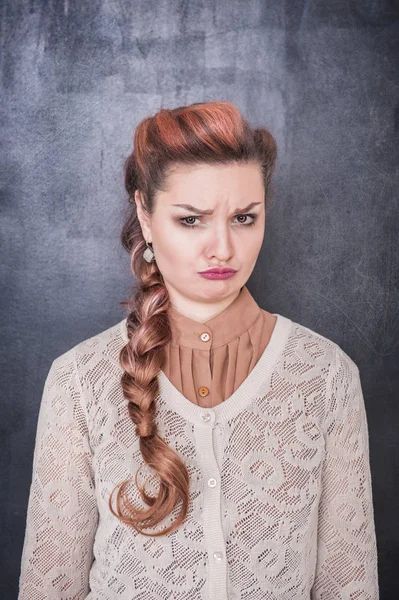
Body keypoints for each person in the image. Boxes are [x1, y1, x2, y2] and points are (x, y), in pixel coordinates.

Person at [18, 101, 379, 599]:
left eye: (244, 218)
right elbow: (48, 587)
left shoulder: (326, 374)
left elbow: (350, 586)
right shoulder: (78, 380)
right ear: (145, 216)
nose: (223, 248)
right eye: (192, 221)